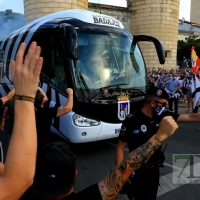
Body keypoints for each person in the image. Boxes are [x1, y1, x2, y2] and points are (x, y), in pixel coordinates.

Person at [28, 115, 177, 200]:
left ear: (34, 176)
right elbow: (127, 167)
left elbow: (126, 169)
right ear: (75, 174)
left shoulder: (14, 191)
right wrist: (160, 135)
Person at [115, 86, 200, 200]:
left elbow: (189, 117)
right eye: (163, 104)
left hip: (154, 169)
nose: (164, 107)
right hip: (137, 171)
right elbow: (120, 148)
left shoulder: (161, 115)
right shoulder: (132, 120)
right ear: (152, 103)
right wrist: (120, 178)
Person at [0, 41, 43, 199]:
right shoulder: (38, 109)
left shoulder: (9, 103)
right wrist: (25, 95)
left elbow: (4, 106)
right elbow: (18, 182)